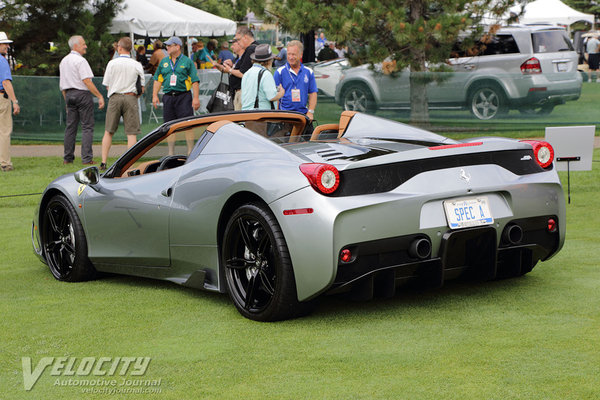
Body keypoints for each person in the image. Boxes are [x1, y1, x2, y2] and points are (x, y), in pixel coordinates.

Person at [100, 37, 145, 171]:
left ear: (119, 48)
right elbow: (141, 87)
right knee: (131, 133)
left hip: (115, 97)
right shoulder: (136, 64)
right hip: (131, 98)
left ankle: (103, 162)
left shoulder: (112, 64)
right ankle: (129, 164)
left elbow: (107, 85)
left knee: (109, 131)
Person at [59, 35, 105, 165]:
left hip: (69, 94)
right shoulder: (81, 61)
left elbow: (62, 84)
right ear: (75, 46)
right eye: (83, 44)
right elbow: (86, 81)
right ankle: (86, 158)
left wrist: (66, 102)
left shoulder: (64, 61)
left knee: (70, 127)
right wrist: (99, 96)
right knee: (87, 127)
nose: (85, 46)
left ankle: (67, 158)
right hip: (82, 94)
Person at [274, 40, 318, 121]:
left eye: (293, 54)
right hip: (284, 115)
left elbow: (313, 93)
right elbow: (276, 95)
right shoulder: (279, 72)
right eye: (289, 54)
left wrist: (310, 112)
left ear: (301, 55)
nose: (290, 57)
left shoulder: (308, 72)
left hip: (303, 115)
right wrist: (277, 115)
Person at [219, 26, 258, 110]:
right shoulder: (253, 48)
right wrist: (233, 66)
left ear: (245, 37)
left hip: (244, 92)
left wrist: (229, 70)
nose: (238, 43)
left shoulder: (251, 49)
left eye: (238, 40)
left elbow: (243, 73)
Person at [241, 44, 284, 110]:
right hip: (261, 115)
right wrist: (281, 93)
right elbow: (272, 97)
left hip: (246, 114)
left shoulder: (247, 73)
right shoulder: (265, 74)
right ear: (269, 61)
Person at [0, 32, 19, 172]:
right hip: (1, 98)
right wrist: (15, 101)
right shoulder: (2, 61)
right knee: (5, 131)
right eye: (4, 43)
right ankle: (5, 163)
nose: (7, 46)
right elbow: (6, 82)